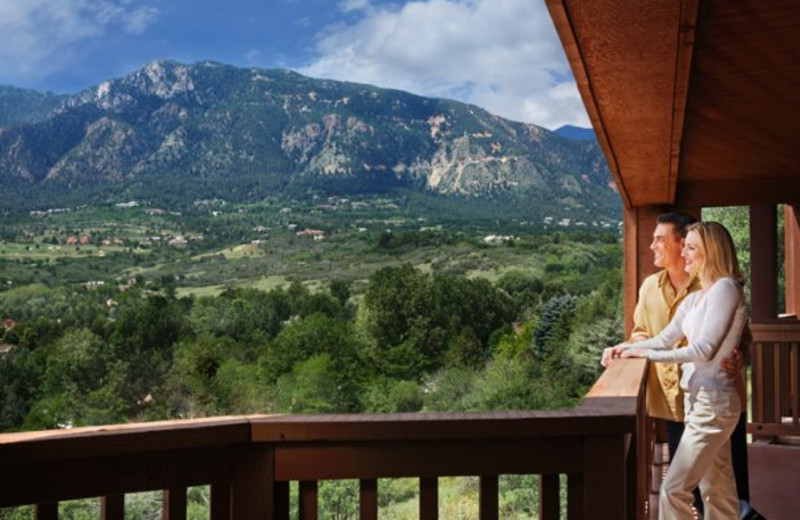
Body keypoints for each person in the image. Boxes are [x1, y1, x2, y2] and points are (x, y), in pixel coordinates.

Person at [606, 221, 746, 519]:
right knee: (717, 491)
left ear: (711, 251)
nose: (685, 254)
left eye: (692, 247)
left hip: (714, 404)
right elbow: (662, 338)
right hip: (698, 403)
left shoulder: (725, 289)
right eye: (685, 247)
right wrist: (628, 350)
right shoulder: (696, 298)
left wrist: (649, 355)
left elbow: (703, 350)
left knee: (673, 490)